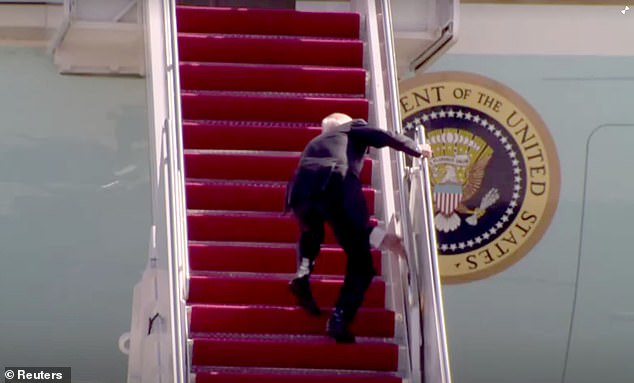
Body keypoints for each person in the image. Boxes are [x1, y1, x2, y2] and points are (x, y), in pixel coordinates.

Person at [285, 112, 432, 343]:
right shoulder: (351, 127)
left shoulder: (315, 143)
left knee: (312, 233)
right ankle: (339, 318)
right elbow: (383, 135)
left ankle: (302, 275)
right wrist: (415, 148)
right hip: (335, 182)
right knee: (361, 262)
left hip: (299, 188)